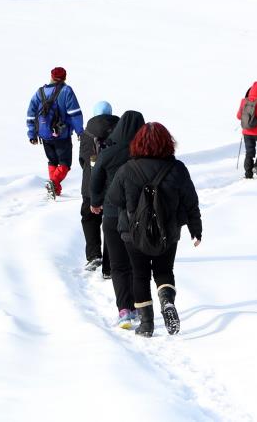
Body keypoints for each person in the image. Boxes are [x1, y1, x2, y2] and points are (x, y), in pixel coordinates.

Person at [107, 122, 202, 337]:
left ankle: (146, 325)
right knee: (164, 271)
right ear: (167, 142)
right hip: (168, 231)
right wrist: (196, 229)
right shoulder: (177, 169)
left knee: (139, 275)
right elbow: (190, 201)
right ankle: (167, 300)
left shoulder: (126, 169)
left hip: (133, 233)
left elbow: (113, 198)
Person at [90, 110, 145, 328]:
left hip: (112, 214)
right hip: (139, 215)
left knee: (119, 265)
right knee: (136, 264)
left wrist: (95, 201)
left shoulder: (109, 150)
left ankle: (124, 310)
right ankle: (140, 306)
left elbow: (95, 178)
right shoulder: (144, 152)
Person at [27, 67, 85, 199]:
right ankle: (53, 183)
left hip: (44, 135)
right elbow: (74, 113)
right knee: (65, 163)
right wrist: (80, 131)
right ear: (65, 78)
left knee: (52, 161)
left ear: (51, 76)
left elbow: (31, 114)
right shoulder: (66, 90)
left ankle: (55, 190)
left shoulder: (39, 92)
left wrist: (32, 134)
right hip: (61, 135)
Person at [79, 101, 119, 275]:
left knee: (89, 218)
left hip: (90, 183)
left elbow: (82, 159)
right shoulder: (120, 129)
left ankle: (94, 255)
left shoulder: (86, 132)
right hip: (114, 183)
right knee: (112, 222)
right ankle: (110, 264)